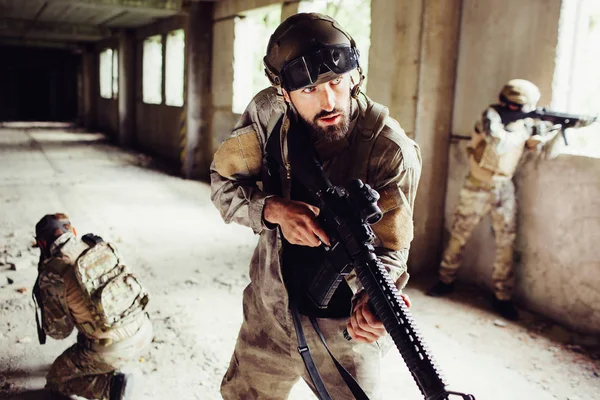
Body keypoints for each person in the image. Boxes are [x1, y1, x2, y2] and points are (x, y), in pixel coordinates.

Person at [210, 12, 421, 400]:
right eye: (308, 90)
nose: (328, 101)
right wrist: (273, 209)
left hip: (344, 337)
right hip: (269, 315)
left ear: (355, 76)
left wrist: (374, 303)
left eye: (336, 82)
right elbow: (223, 185)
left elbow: (391, 248)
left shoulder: (390, 152)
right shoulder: (267, 116)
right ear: (283, 92)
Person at [427, 79, 595, 320]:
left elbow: (543, 152)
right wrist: (529, 128)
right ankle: (445, 280)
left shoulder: (524, 123)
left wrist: (554, 130)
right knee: (459, 236)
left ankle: (502, 296)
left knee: (506, 243)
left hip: (504, 187)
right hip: (477, 186)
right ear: (515, 106)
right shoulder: (491, 117)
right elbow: (498, 143)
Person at [33, 213, 152, 400]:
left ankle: (111, 387)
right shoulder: (96, 244)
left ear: (41, 244)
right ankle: (107, 358)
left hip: (113, 350)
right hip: (144, 330)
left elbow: (59, 332)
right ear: (72, 231)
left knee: (56, 380)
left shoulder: (53, 273)